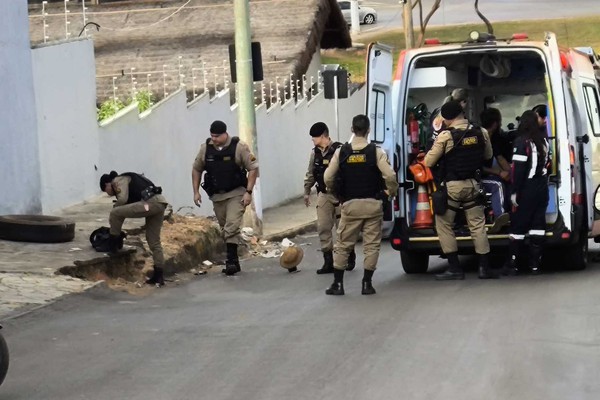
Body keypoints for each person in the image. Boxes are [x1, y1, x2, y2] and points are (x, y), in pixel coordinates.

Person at [323, 115, 399, 295]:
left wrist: (336, 192)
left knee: (343, 244)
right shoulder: (376, 152)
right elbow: (390, 176)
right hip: (373, 204)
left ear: (352, 129)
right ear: (369, 130)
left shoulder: (341, 152)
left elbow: (328, 177)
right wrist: (391, 192)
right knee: (371, 245)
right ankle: (367, 283)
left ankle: (338, 284)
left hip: (350, 204)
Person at [423, 100, 496, 280]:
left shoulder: (446, 136)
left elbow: (428, 162)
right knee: (477, 225)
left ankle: (455, 268)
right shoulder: (481, 132)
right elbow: (488, 156)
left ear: (447, 118)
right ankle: (484, 268)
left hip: (453, 188)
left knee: (444, 224)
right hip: (473, 185)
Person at [191, 120, 259, 276]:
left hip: (236, 193)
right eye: (212, 136)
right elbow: (196, 169)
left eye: (217, 136)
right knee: (226, 228)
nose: (214, 139)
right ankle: (235, 262)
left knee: (231, 225)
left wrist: (248, 192)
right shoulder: (205, 149)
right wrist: (196, 191)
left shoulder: (239, 147)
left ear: (225, 134)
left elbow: (253, 168)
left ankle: (231, 261)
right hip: (217, 195)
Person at [303, 122, 356, 274]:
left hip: (340, 196)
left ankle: (349, 255)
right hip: (324, 195)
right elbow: (311, 173)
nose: (312, 139)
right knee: (323, 227)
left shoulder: (340, 150)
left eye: (314, 137)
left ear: (323, 136)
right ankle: (328, 261)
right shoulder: (315, 153)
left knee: (343, 229)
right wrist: (307, 191)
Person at [99, 170, 168, 286]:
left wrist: (115, 207)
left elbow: (122, 200)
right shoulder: (128, 178)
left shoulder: (117, 180)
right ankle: (159, 276)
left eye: (106, 191)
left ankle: (113, 242)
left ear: (107, 184)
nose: (108, 194)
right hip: (159, 203)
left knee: (115, 212)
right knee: (154, 241)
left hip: (149, 204)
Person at [504, 110, 550, 275]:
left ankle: (513, 264)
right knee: (538, 225)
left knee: (518, 225)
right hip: (542, 187)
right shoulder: (544, 141)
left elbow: (518, 170)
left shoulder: (521, 142)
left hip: (527, 188)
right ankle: (535, 265)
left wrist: (514, 191)